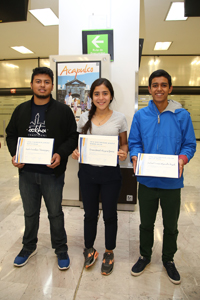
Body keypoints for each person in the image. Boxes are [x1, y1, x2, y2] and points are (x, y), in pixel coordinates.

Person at [128, 69, 196, 284]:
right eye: (155, 85)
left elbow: (189, 144)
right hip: (147, 181)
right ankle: (144, 256)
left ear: (170, 88)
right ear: (149, 89)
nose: (159, 89)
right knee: (146, 223)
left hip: (172, 182)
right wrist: (135, 157)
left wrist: (182, 159)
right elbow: (135, 142)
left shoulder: (182, 115)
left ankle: (168, 260)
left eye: (163, 85)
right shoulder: (140, 116)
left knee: (171, 225)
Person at [6, 67, 78, 270]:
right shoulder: (21, 110)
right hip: (27, 173)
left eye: (46, 82)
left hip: (52, 173)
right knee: (30, 213)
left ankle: (61, 249)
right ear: (31, 84)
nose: (42, 85)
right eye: (38, 81)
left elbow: (73, 136)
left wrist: (60, 154)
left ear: (52, 86)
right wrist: (15, 153)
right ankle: (28, 247)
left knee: (55, 213)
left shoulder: (63, 111)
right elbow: (10, 134)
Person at [72, 78, 128, 276]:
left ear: (111, 95)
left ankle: (109, 251)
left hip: (111, 174)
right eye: (97, 94)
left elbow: (124, 144)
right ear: (91, 96)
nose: (101, 97)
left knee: (110, 214)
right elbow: (78, 143)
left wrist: (123, 152)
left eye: (105, 93)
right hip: (88, 173)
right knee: (89, 214)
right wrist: (75, 151)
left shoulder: (120, 118)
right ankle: (89, 248)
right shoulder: (84, 117)